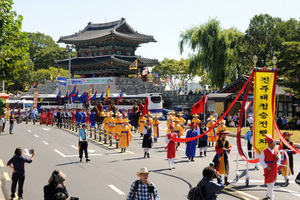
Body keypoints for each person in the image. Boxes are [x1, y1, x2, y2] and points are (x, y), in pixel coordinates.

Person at [259, 134, 279, 200]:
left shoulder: (276, 151)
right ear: (269, 144)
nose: (274, 144)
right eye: (273, 143)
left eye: (274, 143)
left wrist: (277, 157)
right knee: (271, 183)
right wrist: (266, 166)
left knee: (272, 182)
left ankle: (268, 194)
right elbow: (261, 160)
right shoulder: (264, 151)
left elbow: (279, 159)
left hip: (274, 168)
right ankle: (272, 197)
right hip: (268, 168)